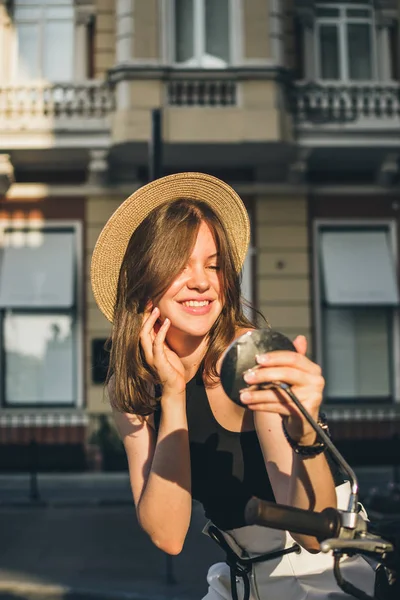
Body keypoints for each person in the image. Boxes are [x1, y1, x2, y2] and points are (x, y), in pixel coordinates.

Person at [90, 172, 375, 600]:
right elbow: (168, 534)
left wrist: (306, 435)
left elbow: (313, 534)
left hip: (322, 572)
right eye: (179, 265)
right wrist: (171, 396)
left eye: (214, 265)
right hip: (241, 578)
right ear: (144, 279)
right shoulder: (132, 382)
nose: (202, 282)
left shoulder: (250, 360)